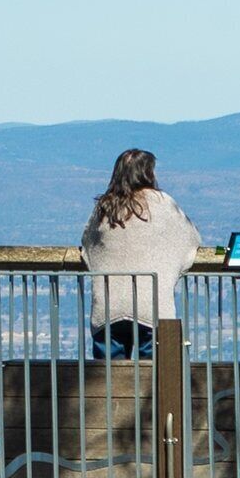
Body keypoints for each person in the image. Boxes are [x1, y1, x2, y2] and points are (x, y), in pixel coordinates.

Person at [80, 148, 198, 358]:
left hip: (108, 306)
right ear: (148, 173)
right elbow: (190, 239)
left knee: (110, 383)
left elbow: (88, 247)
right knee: (157, 381)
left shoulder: (104, 207)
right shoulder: (162, 203)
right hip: (152, 304)